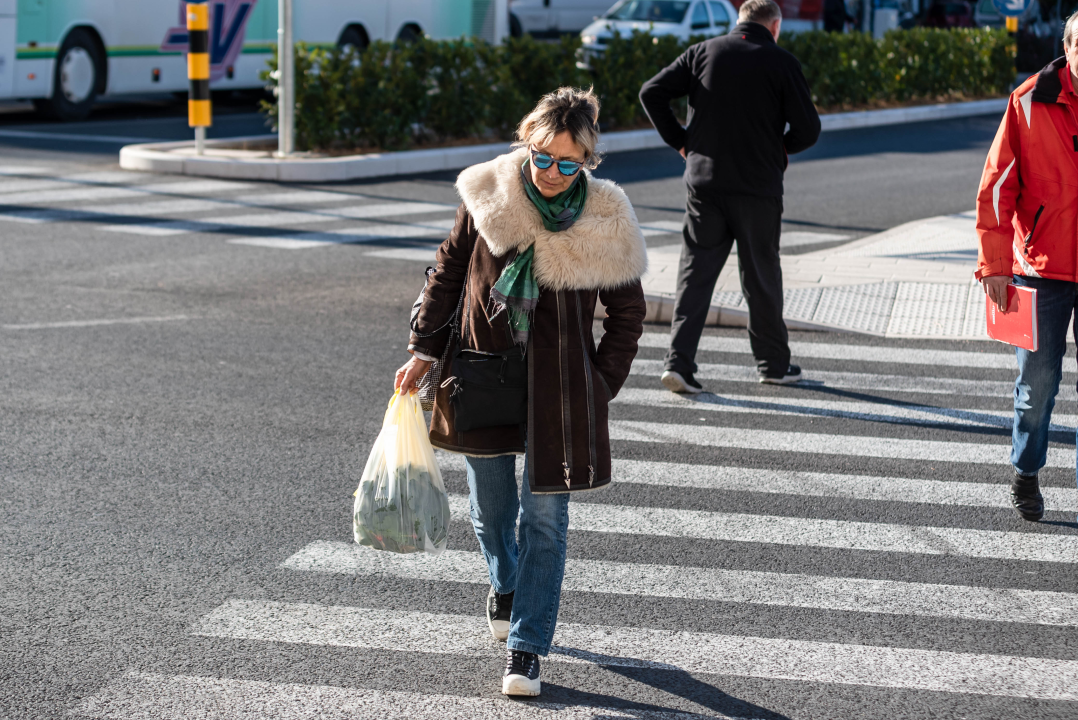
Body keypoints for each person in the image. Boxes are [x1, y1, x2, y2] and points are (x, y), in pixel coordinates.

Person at [396, 87, 647, 696]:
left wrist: (600, 384)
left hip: (561, 389)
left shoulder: (606, 217)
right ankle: (505, 583)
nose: (554, 174)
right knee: (494, 511)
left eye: (570, 164)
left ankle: (526, 647)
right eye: (543, 158)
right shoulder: (488, 194)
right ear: (525, 144)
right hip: (483, 371)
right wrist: (424, 350)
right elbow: (450, 271)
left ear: (587, 160)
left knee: (544, 520)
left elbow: (628, 313)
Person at [639, 0, 821, 394]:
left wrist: (682, 143)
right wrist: (780, 149)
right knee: (761, 277)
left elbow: (651, 92)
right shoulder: (781, 62)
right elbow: (809, 128)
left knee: (695, 275)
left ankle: (678, 364)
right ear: (774, 27)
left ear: (738, 21)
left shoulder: (703, 52)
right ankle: (772, 364)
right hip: (758, 189)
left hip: (705, 185)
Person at [975, 11, 1078, 523]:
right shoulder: (1029, 100)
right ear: (1068, 46)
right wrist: (994, 263)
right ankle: (1026, 470)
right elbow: (997, 187)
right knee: (1037, 386)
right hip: (1042, 267)